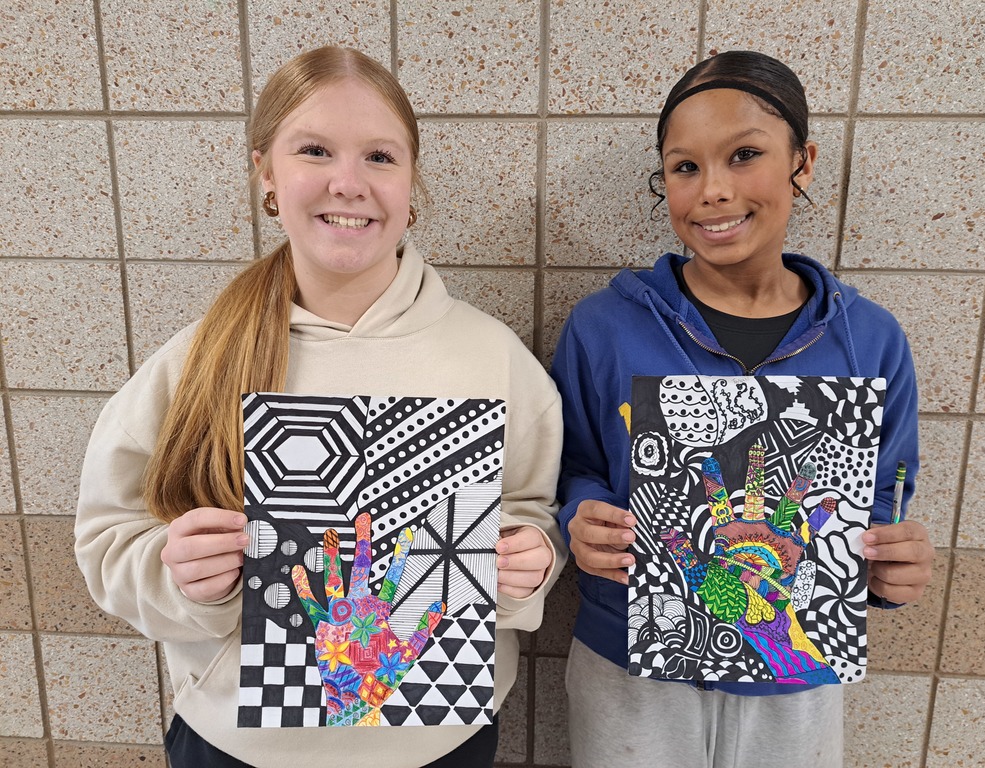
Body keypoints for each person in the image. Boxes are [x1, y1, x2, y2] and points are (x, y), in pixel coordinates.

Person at [75, 46, 565, 768]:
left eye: (379, 156)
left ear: (410, 181)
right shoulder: (198, 358)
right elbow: (108, 538)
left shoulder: (492, 358)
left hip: (443, 742)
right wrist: (180, 576)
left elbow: (528, 510)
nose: (348, 182)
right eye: (314, 150)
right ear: (266, 173)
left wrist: (532, 562)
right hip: (235, 745)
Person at [550, 50, 935, 768]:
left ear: (803, 162)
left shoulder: (871, 340)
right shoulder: (603, 327)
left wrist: (891, 560)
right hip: (633, 667)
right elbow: (570, 467)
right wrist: (580, 517)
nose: (713, 192)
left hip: (796, 672)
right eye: (684, 167)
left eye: (745, 155)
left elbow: (883, 494)